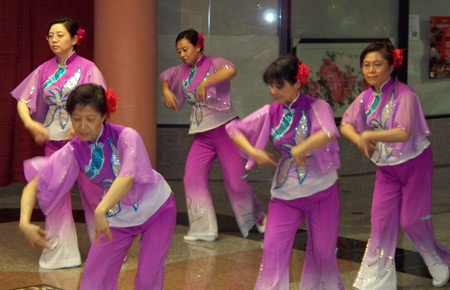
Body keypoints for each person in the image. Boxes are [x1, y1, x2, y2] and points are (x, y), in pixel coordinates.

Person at [19, 84, 177, 290]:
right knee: (92, 282)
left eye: (90, 119)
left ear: (103, 117)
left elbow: (127, 176)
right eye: (76, 118)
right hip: (118, 216)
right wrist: (24, 222)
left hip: (157, 209)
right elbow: (35, 184)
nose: (82, 125)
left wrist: (102, 208)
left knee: (148, 280)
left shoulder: (127, 136)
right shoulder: (74, 150)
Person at [226, 54, 344, 290]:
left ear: (297, 82)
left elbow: (329, 131)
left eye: (279, 85)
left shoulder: (317, 107)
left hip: (321, 193)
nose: (273, 91)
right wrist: (253, 151)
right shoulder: (272, 111)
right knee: (272, 249)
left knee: (322, 253)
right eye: (270, 85)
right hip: (285, 195)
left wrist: (302, 146)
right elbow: (234, 129)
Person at [340, 41, 450, 289]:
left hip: (415, 165)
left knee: (412, 221)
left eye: (377, 64)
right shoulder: (365, 97)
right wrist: (359, 138)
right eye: (366, 65)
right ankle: (376, 281)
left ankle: (437, 260)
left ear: (391, 66)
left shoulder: (405, 95)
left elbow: (403, 133)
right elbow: (345, 123)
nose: (371, 70)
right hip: (387, 169)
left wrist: (369, 136)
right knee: (380, 222)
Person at [11, 17, 106, 269]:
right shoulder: (43, 70)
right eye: (50, 35)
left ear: (75, 39)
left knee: (92, 194)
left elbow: (99, 103)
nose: (54, 40)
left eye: (60, 35)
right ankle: (60, 254)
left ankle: (106, 249)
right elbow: (23, 100)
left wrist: (81, 126)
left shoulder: (88, 68)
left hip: (84, 142)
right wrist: (31, 124)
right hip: (53, 140)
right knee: (54, 195)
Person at [160, 29, 265, 241]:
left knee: (235, 182)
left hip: (226, 130)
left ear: (198, 46)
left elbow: (231, 70)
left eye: (185, 49)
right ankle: (203, 229)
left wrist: (206, 82)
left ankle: (258, 218)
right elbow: (165, 76)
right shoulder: (180, 71)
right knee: (192, 177)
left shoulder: (215, 63)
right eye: (178, 51)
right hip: (202, 136)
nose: (182, 54)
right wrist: (166, 90)